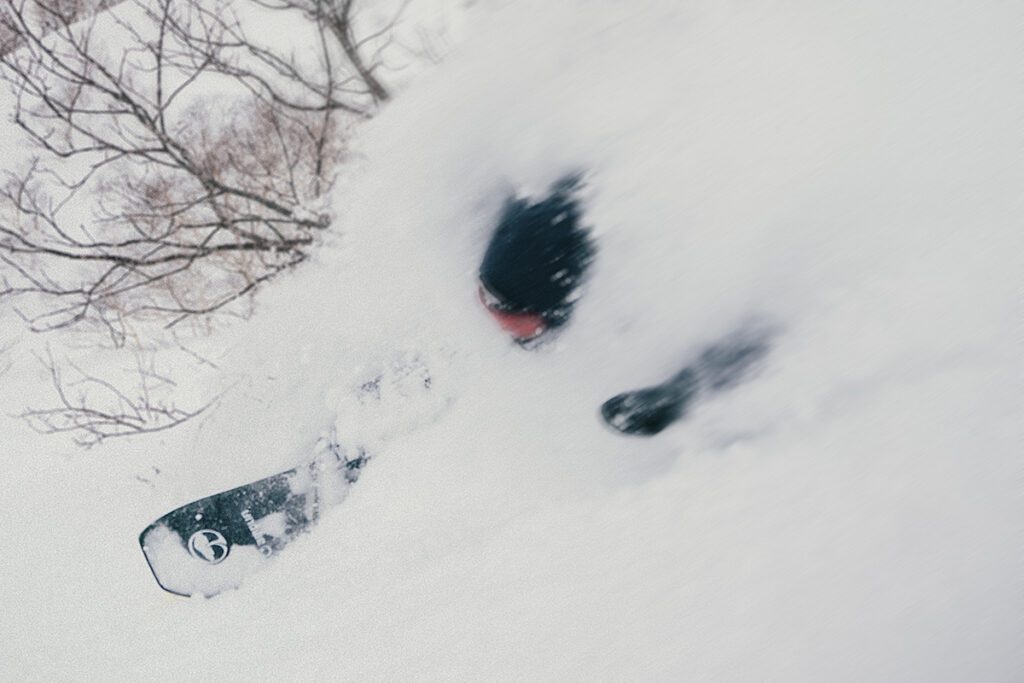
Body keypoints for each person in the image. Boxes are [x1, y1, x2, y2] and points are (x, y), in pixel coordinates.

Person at [478, 174, 771, 436]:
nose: (495, 318)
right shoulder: (549, 202)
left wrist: (678, 396)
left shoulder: (649, 280)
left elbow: (761, 336)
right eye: (489, 300)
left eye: (507, 311)